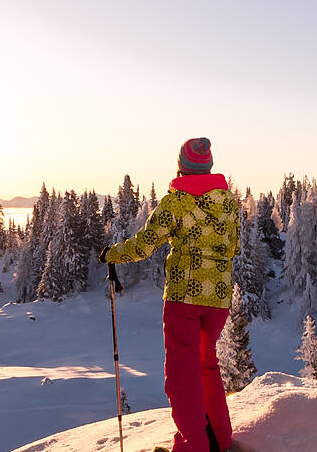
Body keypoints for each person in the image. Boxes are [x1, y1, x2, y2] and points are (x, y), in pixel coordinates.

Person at [101, 137, 242, 452]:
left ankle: (193, 446)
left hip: (184, 298)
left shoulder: (175, 202)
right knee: (207, 365)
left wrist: (112, 254)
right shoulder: (228, 201)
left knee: (182, 375)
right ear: (208, 166)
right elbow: (233, 248)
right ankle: (220, 438)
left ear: (181, 166)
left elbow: (143, 245)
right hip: (218, 298)